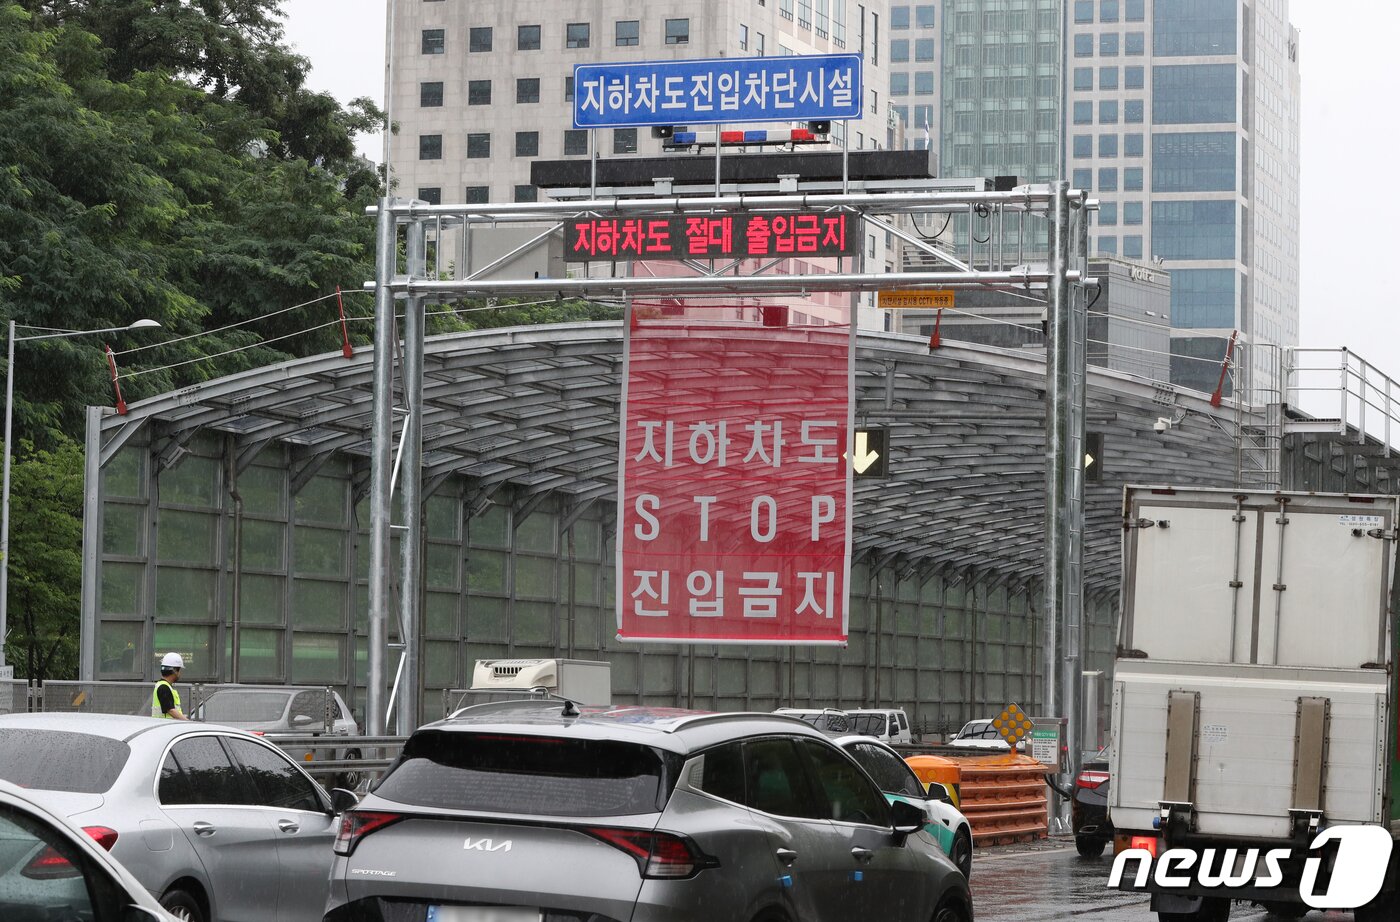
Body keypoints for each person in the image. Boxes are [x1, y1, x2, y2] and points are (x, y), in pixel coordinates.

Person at [152, 652, 188, 720]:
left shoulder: (163, 686)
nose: (180, 673)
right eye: (179, 670)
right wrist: (188, 722)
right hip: (167, 727)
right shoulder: (164, 687)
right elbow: (171, 710)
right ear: (174, 670)